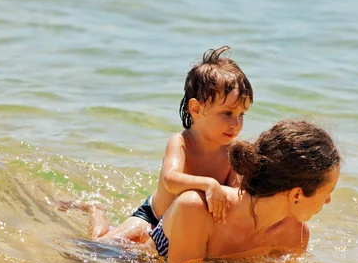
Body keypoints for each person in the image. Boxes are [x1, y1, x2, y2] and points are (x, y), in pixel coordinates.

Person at [60, 46, 253, 242]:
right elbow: (171, 179)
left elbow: (237, 195)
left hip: (188, 224)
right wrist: (209, 184)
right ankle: (95, 209)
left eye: (241, 114)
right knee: (102, 245)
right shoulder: (181, 142)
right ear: (195, 109)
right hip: (153, 219)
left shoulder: (232, 151)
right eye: (227, 113)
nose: (236, 123)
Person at [149, 119, 342, 263]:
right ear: (296, 195)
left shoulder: (295, 235)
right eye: (328, 192)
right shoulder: (196, 207)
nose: (328, 200)